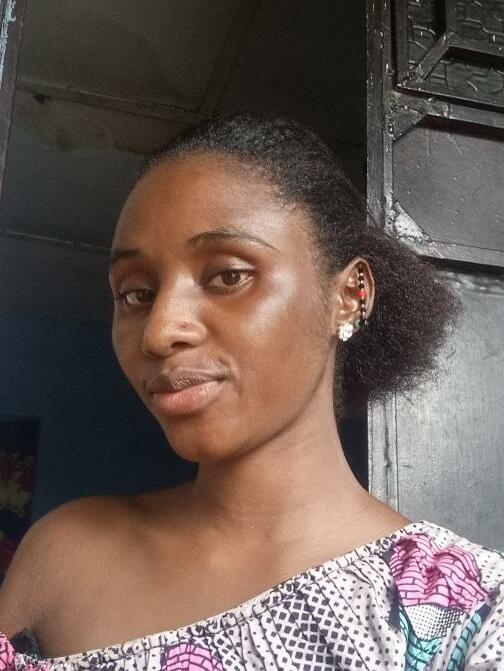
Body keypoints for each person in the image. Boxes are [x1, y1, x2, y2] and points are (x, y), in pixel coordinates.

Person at [0, 112, 502, 670]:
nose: (159, 332)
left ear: (350, 296)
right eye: (137, 293)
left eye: (228, 276)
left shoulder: (465, 611)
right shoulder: (62, 556)